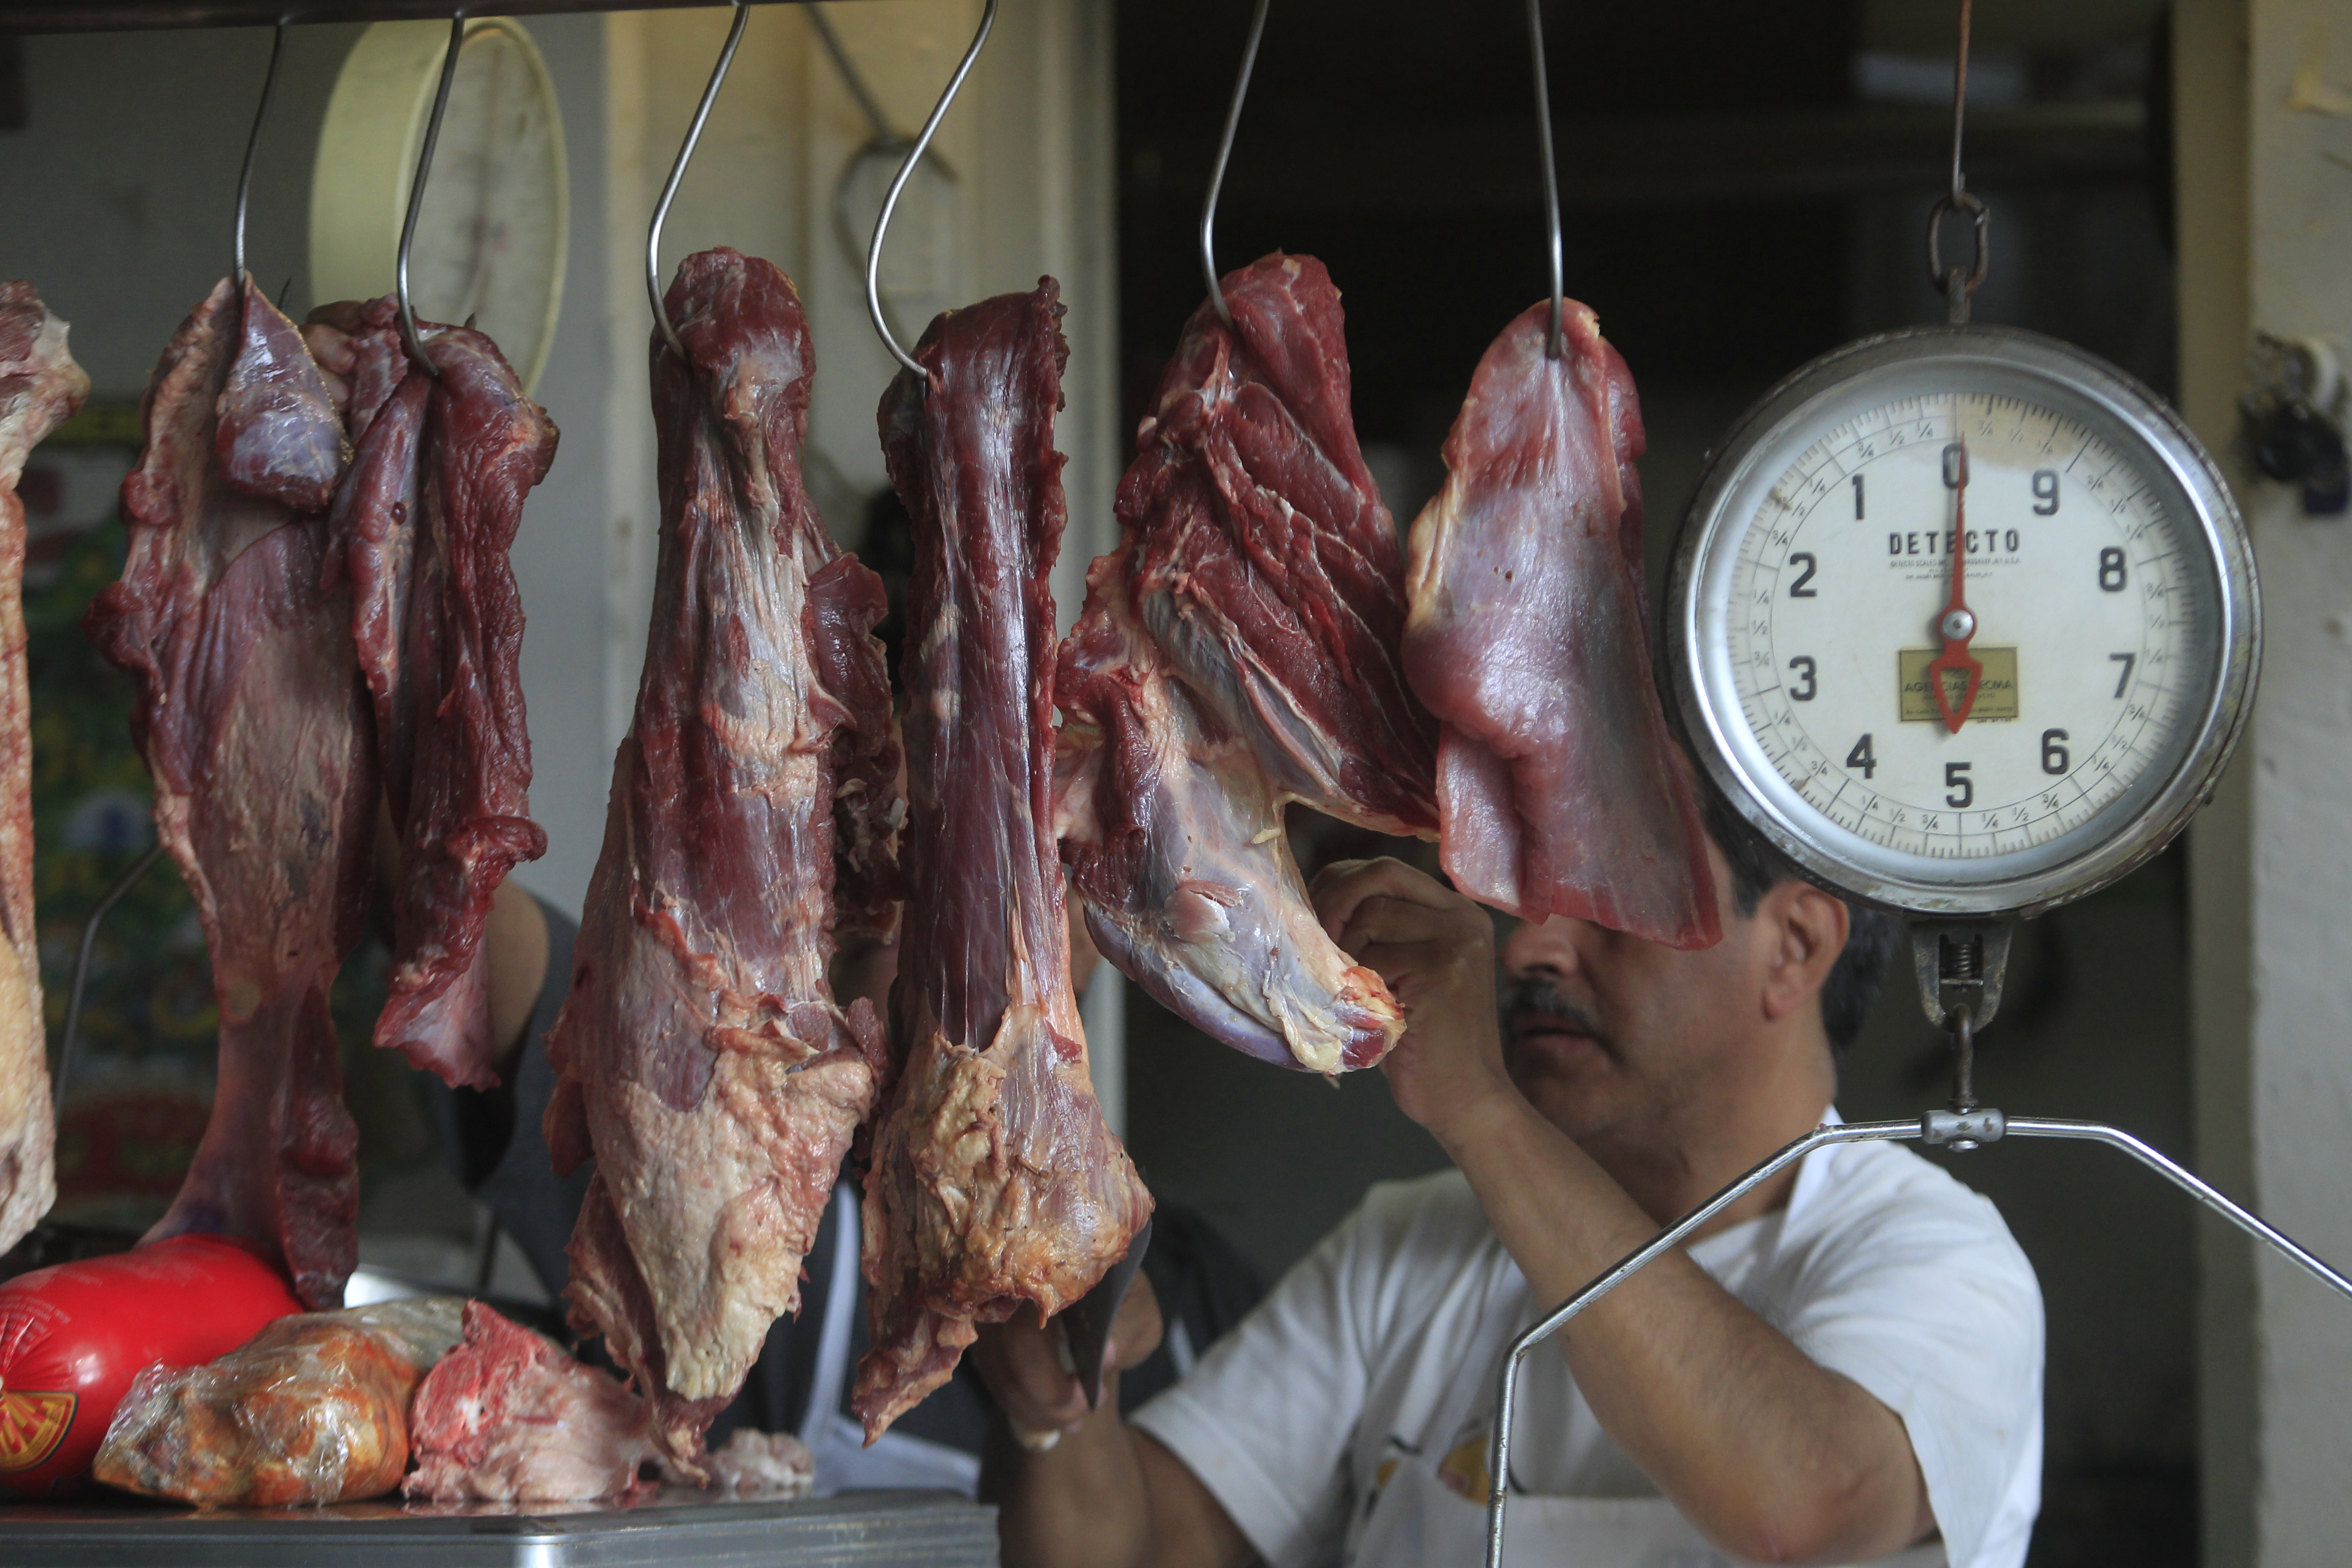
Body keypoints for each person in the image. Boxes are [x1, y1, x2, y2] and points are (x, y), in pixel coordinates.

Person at [972, 786, 2045, 1568]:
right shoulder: (1410, 1246)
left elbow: (1804, 1505)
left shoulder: (1934, 1255)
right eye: (1526, 894)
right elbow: (1141, 1551)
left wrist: (1480, 1108)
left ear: (1796, 948)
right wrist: (1064, 1403)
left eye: (1612, 900)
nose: (1530, 948)